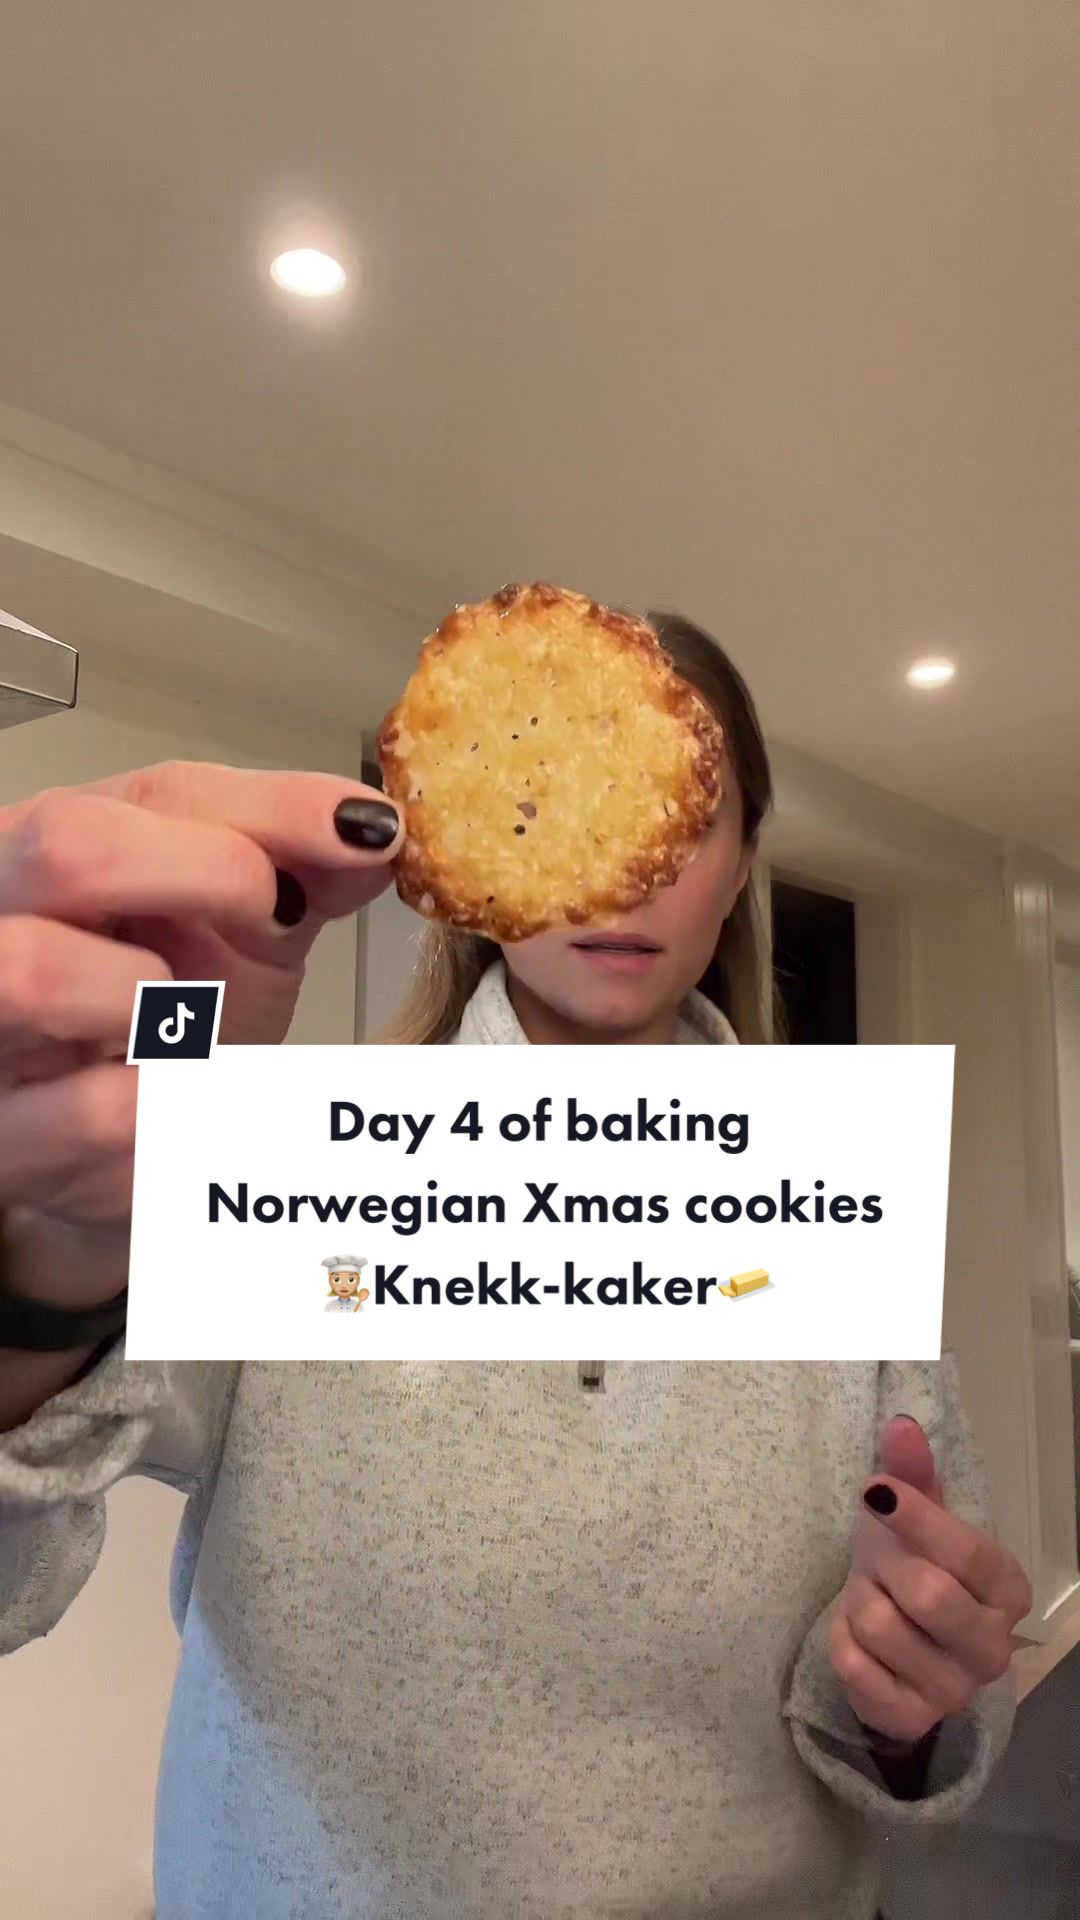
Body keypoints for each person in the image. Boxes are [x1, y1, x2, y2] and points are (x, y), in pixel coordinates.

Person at [0, 612, 1030, 1920]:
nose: (621, 869)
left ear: (740, 863)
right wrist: (45, 1270)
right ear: (468, 849)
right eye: (546, 796)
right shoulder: (306, 1164)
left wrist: (908, 1695)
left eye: (677, 811)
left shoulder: (828, 1201)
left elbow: (931, 1682)